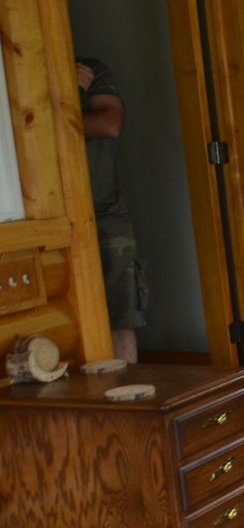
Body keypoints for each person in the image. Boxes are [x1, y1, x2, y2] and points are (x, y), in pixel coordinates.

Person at [76, 57, 143, 363]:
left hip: (106, 211)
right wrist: (68, 94)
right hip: (50, 214)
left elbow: (108, 124)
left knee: (122, 313)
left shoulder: (90, 68)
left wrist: (59, 104)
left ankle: (132, 404)